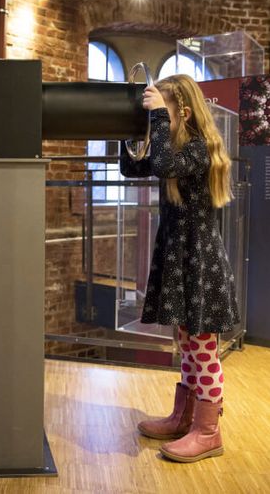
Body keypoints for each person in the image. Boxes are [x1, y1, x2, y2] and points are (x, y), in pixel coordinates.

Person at [120, 74, 239, 463]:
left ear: (183, 112)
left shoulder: (199, 149)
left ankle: (208, 431)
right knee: (187, 343)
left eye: (163, 111)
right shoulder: (177, 149)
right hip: (180, 259)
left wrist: (154, 121)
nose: (157, 118)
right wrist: (129, 129)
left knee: (203, 349)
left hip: (198, 263)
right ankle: (183, 417)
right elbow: (136, 169)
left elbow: (164, 163)